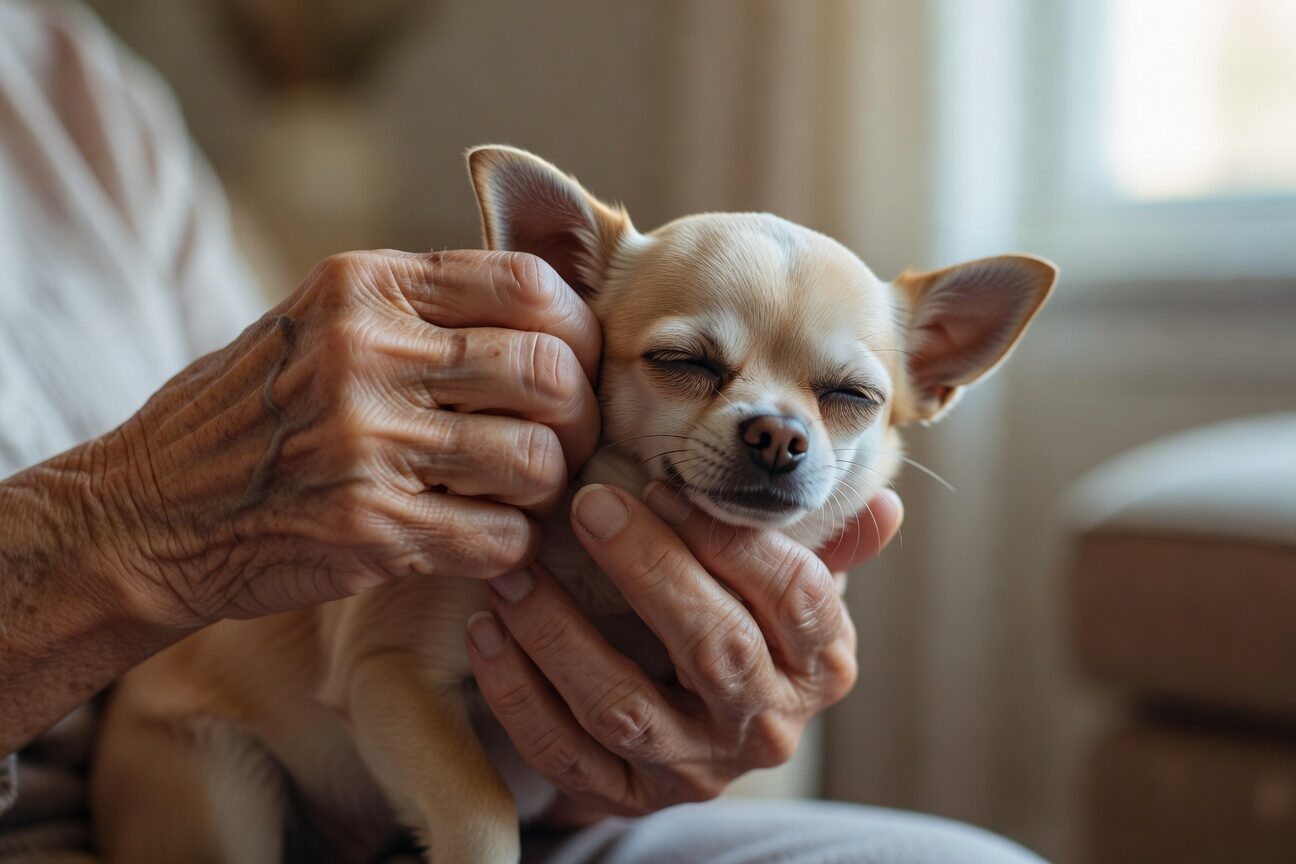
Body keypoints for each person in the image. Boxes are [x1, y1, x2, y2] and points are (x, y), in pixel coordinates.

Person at [0, 2, 1047, 861]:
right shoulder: (484, 517)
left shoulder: (80, 88)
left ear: (929, 377)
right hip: (222, 755)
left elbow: (262, 410)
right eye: (690, 364)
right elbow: (367, 647)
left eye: (847, 398)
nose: (779, 432)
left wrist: (643, 755)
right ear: (563, 297)